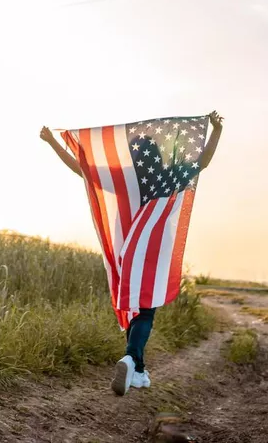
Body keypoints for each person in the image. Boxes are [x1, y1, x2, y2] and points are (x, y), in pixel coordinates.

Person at [40, 111, 224, 395]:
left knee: (137, 307)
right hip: (155, 248)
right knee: (146, 310)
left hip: (129, 249)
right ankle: (131, 357)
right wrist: (216, 130)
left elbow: (82, 169)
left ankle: (137, 371)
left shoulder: (125, 177)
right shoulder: (171, 174)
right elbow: (204, 161)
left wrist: (52, 141)